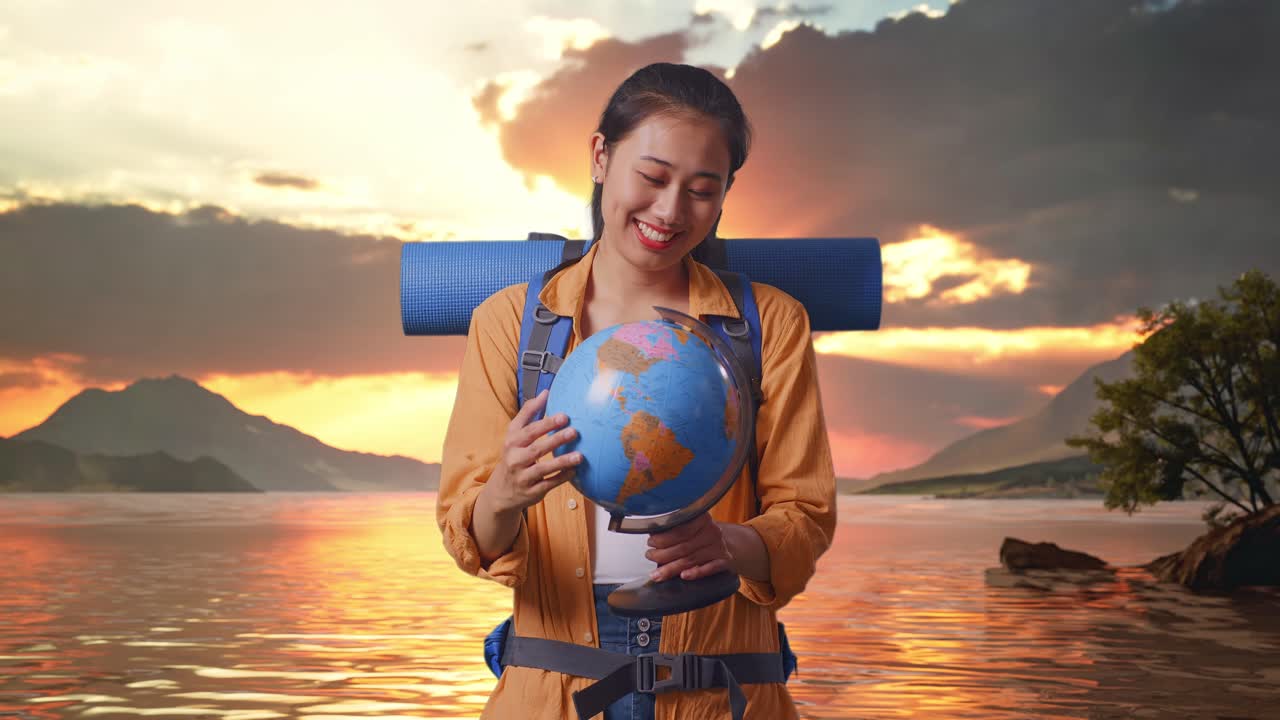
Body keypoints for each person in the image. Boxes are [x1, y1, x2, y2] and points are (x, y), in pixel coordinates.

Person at [438, 62, 836, 720]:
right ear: (600, 156)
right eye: (651, 177)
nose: (670, 211)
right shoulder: (509, 323)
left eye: (703, 190)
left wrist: (732, 545)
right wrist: (504, 492)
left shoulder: (772, 326)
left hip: (724, 697)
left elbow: (805, 518)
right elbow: (472, 538)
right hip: (550, 695)